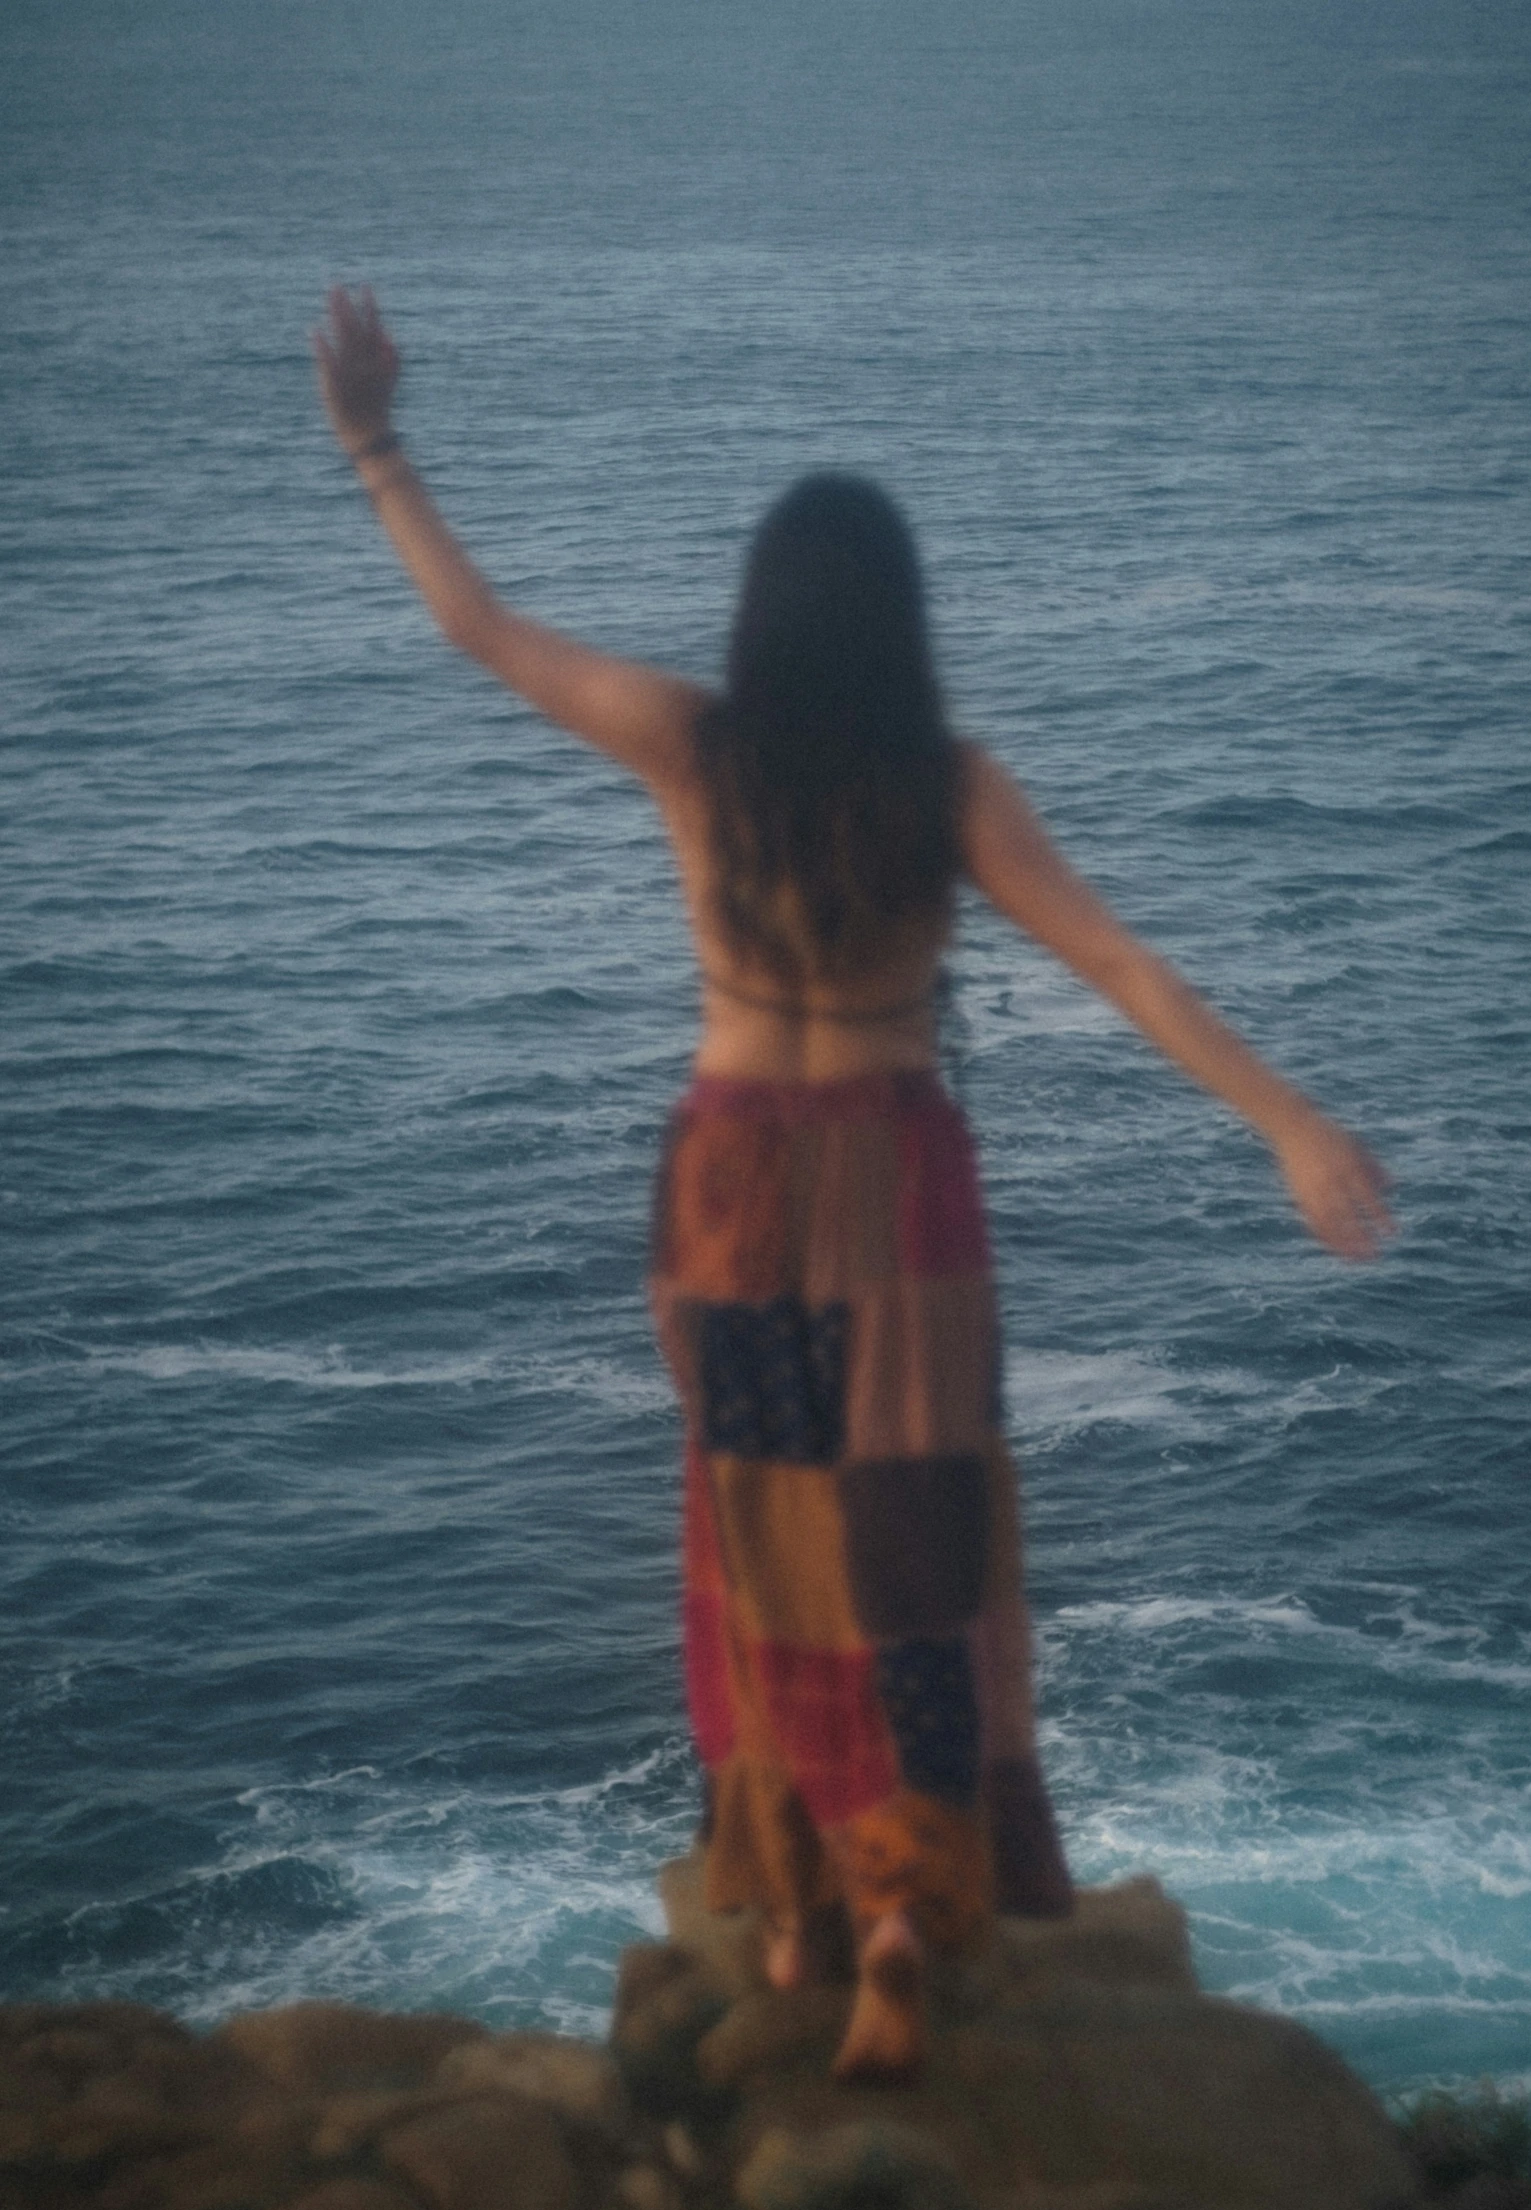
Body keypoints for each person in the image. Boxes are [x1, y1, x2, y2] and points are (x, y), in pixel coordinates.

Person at [313, 286, 1395, 2084]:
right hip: (900, 1198)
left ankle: (800, 1902)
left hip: (732, 1188)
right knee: (914, 1548)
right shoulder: (947, 786)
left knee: (761, 1542)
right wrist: (1286, 1122)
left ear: (758, 619)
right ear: (903, 625)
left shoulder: (692, 747)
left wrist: (370, 438)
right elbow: (1125, 971)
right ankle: (897, 1911)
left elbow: (472, 623)